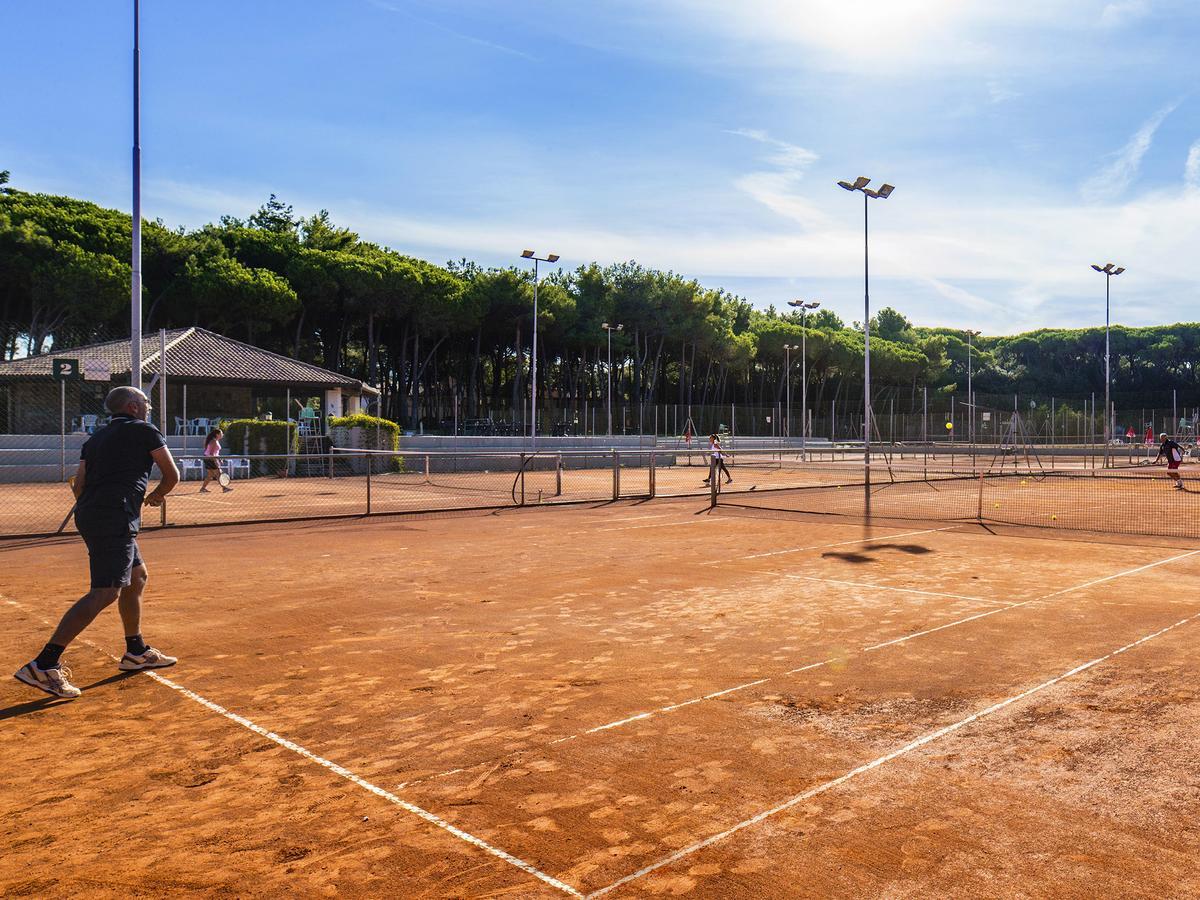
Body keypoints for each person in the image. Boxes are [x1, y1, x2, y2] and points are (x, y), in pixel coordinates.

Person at [14, 386, 180, 699]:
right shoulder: (145, 430)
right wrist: (158, 495)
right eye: (145, 403)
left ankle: (136, 650)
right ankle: (44, 664)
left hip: (95, 514)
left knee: (136, 577)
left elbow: (79, 485)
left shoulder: (95, 439)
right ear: (133, 406)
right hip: (114, 516)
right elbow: (172, 474)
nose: (147, 408)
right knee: (105, 591)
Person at [199, 426, 232, 493]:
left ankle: (203, 488)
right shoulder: (214, 441)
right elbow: (211, 453)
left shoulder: (215, 441)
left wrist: (219, 459)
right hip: (210, 459)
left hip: (208, 458)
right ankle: (224, 488)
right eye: (221, 433)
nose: (222, 435)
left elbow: (215, 453)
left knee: (210, 475)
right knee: (218, 473)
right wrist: (216, 461)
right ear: (217, 434)